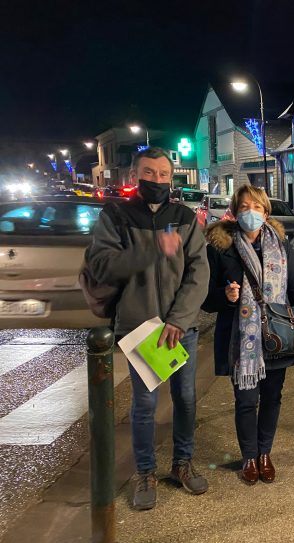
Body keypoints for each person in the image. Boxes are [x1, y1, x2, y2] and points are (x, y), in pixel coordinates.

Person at [88, 147, 210, 510]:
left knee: (186, 400)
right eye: (149, 172)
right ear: (133, 175)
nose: (156, 180)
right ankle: (145, 472)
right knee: (145, 405)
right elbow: (102, 266)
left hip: (178, 328)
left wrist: (179, 319)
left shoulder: (184, 217)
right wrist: (153, 249)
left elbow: (198, 273)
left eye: (163, 174)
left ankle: (182, 463)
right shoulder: (116, 215)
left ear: (172, 178)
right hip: (140, 329)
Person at [203, 185, 294, 484]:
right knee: (246, 400)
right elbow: (204, 297)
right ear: (234, 211)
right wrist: (224, 296)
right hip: (239, 339)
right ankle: (249, 457)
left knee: (272, 398)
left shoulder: (280, 247)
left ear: (266, 213)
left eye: (257, 207)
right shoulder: (220, 248)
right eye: (244, 207)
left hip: (278, 335)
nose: (251, 213)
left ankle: (265, 453)